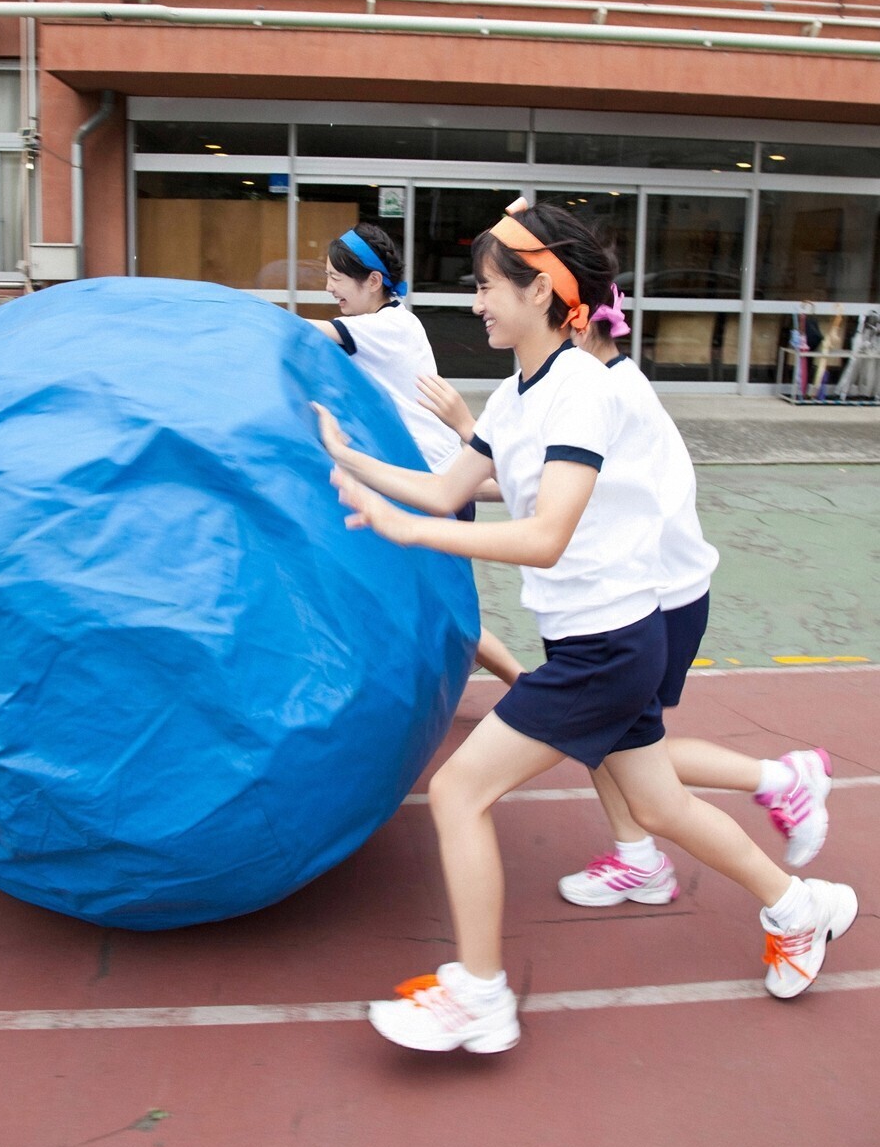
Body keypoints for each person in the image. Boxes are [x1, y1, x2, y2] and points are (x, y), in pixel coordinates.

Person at [314, 198, 857, 1054]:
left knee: (460, 790)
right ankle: (802, 906)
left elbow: (545, 533)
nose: (475, 303)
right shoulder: (515, 397)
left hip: (609, 643)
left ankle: (482, 994)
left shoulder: (580, 393)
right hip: (591, 638)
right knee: (658, 803)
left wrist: (406, 531)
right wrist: (347, 458)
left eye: (489, 286)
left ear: (543, 292)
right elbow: (446, 487)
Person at [421, 286, 833, 905]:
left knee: (625, 746)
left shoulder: (602, 390)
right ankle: (646, 854)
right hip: (629, 596)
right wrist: (441, 486)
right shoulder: (591, 381)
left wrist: (462, 438)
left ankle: (777, 780)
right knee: (619, 747)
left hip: (657, 598)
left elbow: (549, 499)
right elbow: (541, 486)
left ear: (573, 321)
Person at [307, 222, 522, 686]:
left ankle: (523, 682)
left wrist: (232, 311)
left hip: (433, 488)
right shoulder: (391, 322)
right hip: (435, 482)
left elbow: (304, 333)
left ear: (372, 281)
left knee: (438, 605)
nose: (328, 288)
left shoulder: (385, 326)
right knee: (431, 600)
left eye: (336, 278)